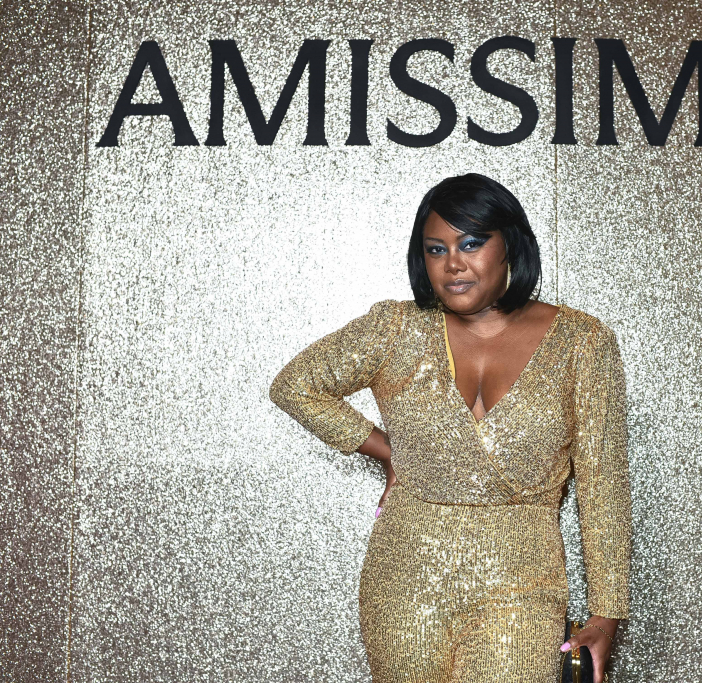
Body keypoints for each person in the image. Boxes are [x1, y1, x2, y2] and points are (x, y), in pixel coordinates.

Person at [269, 173, 631, 683]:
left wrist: (606, 614)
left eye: (472, 243)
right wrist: (385, 450)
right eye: (436, 249)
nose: (453, 264)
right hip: (404, 580)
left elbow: (603, 481)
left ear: (511, 246)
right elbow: (295, 386)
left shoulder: (581, 342)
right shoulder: (396, 328)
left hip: (523, 583)